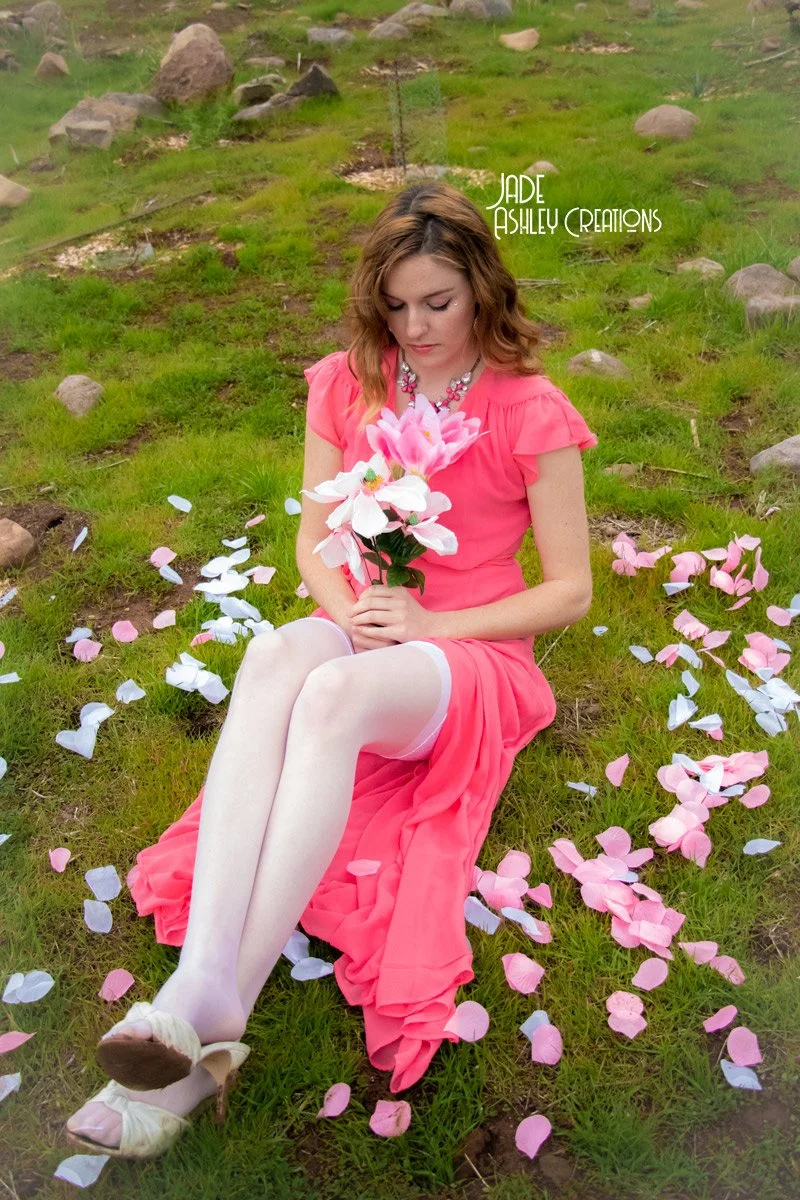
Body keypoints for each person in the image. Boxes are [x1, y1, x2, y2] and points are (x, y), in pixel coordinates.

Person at [65, 181, 597, 1159]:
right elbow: (313, 537)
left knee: (335, 695)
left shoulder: (531, 409)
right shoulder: (346, 382)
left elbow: (569, 591)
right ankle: (206, 997)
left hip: (470, 649)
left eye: (437, 302)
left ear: (482, 288)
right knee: (278, 656)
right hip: (363, 613)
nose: (414, 326)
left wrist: (434, 620)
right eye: (394, 304)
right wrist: (345, 603)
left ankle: (210, 1012)